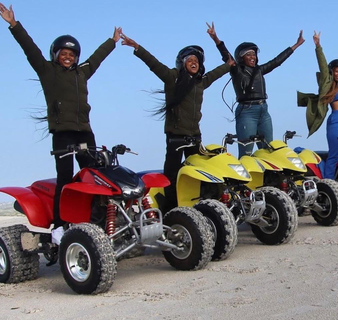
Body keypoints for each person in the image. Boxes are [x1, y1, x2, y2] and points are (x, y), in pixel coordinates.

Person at [0, 3, 122, 245]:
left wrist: (112, 41)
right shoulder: (48, 71)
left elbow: (96, 59)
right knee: (65, 179)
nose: (68, 57)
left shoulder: (82, 72)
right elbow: (30, 50)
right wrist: (14, 25)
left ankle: (96, 220)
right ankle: (59, 226)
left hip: (85, 133)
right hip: (63, 135)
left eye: (72, 54)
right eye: (63, 54)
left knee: (94, 176)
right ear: (56, 56)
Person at [120, 32, 233, 211]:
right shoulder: (172, 77)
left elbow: (226, 66)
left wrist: (219, 43)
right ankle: (171, 210)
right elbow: (154, 64)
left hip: (195, 135)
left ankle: (198, 208)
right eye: (190, 59)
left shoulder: (201, 82)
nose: (194, 62)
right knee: (172, 175)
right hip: (176, 136)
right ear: (182, 63)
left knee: (198, 174)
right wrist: (137, 47)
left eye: (197, 60)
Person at [206, 22, 305, 157]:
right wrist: (215, 38)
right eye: (248, 54)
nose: (252, 57)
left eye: (254, 54)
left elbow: (277, 61)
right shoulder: (236, 70)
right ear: (241, 57)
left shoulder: (259, 70)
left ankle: (267, 178)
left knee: (268, 150)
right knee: (246, 151)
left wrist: (297, 45)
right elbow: (226, 55)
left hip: (263, 110)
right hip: (247, 111)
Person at [297, 31, 338, 179]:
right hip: (336, 122)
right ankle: (329, 183)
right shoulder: (328, 83)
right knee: (334, 153)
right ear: (332, 72)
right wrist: (318, 45)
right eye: (336, 71)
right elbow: (322, 65)